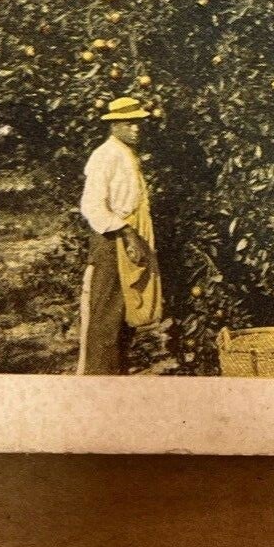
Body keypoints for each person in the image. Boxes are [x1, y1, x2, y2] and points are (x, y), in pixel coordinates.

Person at [76, 97, 165, 375]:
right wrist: (127, 234)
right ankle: (99, 381)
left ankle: (116, 374)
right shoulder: (105, 155)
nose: (136, 129)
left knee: (125, 313)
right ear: (114, 125)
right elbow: (92, 205)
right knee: (106, 315)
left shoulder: (126, 153)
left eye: (139, 123)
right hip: (112, 240)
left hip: (129, 235)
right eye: (129, 123)